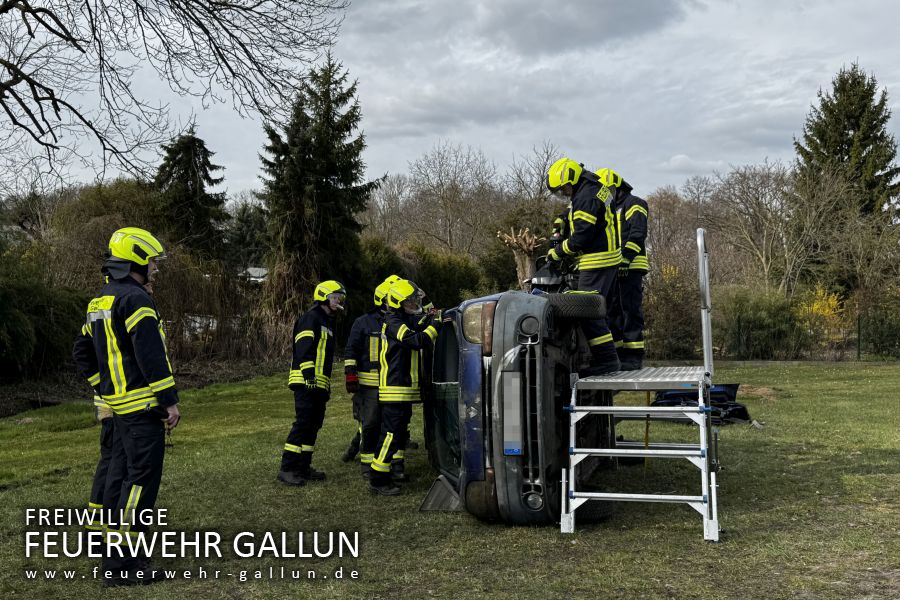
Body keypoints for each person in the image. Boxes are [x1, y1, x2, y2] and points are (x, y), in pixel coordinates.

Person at [72, 227, 180, 586]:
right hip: (143, 408)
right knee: (139, 486)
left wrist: (104, 387)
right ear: (136, 259)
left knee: (120, 480)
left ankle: (117, 558)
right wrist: (169, 403)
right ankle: (123, 567)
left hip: (119, 408)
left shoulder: (100, 300)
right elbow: (150, 357)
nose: (155, 268)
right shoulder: (135, 300)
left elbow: (82, 352)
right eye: (151, 261)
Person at [546, 158, 621, 375]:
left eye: (564, 188)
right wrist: (563, 219)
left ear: (571, 179)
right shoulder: (594, 187)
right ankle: (610, 358)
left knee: (587, 312)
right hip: (608, 258)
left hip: (597, 260)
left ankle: (607, 360)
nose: (564, 193)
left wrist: (557, 252)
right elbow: (580, 211)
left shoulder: (585, 196)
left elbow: (581, 238)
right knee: (599, 312)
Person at [369, 279, 442, 495]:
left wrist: (430, 317)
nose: (413, 305)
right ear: (398, 303)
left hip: (402, 390)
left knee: (397, 433)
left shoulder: (401, 319)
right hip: (394, 390)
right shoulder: (393, 322)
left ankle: (387, 473)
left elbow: (415, 326)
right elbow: (415, 341)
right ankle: (378, 479)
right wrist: (435, 326)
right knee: (390, 435)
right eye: (409, 302)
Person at [278, 280, 347, 486]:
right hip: (305, 381)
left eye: (340, 298)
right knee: (303, 424)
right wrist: (309, 376)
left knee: (314, 425)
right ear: (323, 297)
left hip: (318, 383)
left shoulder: (327, 321)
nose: (338, 301)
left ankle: (303, 467)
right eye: (335, 297)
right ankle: (287, 468)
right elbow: (304, 348)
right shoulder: (311, 318)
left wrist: (323, 385)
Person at [342, 277, 397, 478]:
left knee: (391, 424)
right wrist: (350, 374)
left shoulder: (398, 322)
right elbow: (351, 350)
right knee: (370, 423)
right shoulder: (363, 323)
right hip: (369, 385)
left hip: (392, 384)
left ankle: (390, 462)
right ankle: (367, 463)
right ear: (382, 299)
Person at [597, 168, 649, 370]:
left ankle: (634, 356)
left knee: (630, 310)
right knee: (613, 311)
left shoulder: (635, 204)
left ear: (617, 187)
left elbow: (637, 234)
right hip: (613, 268)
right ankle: (618, 355)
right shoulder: (610, 209)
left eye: (608, 189)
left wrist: (626, 259)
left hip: (632, 265)